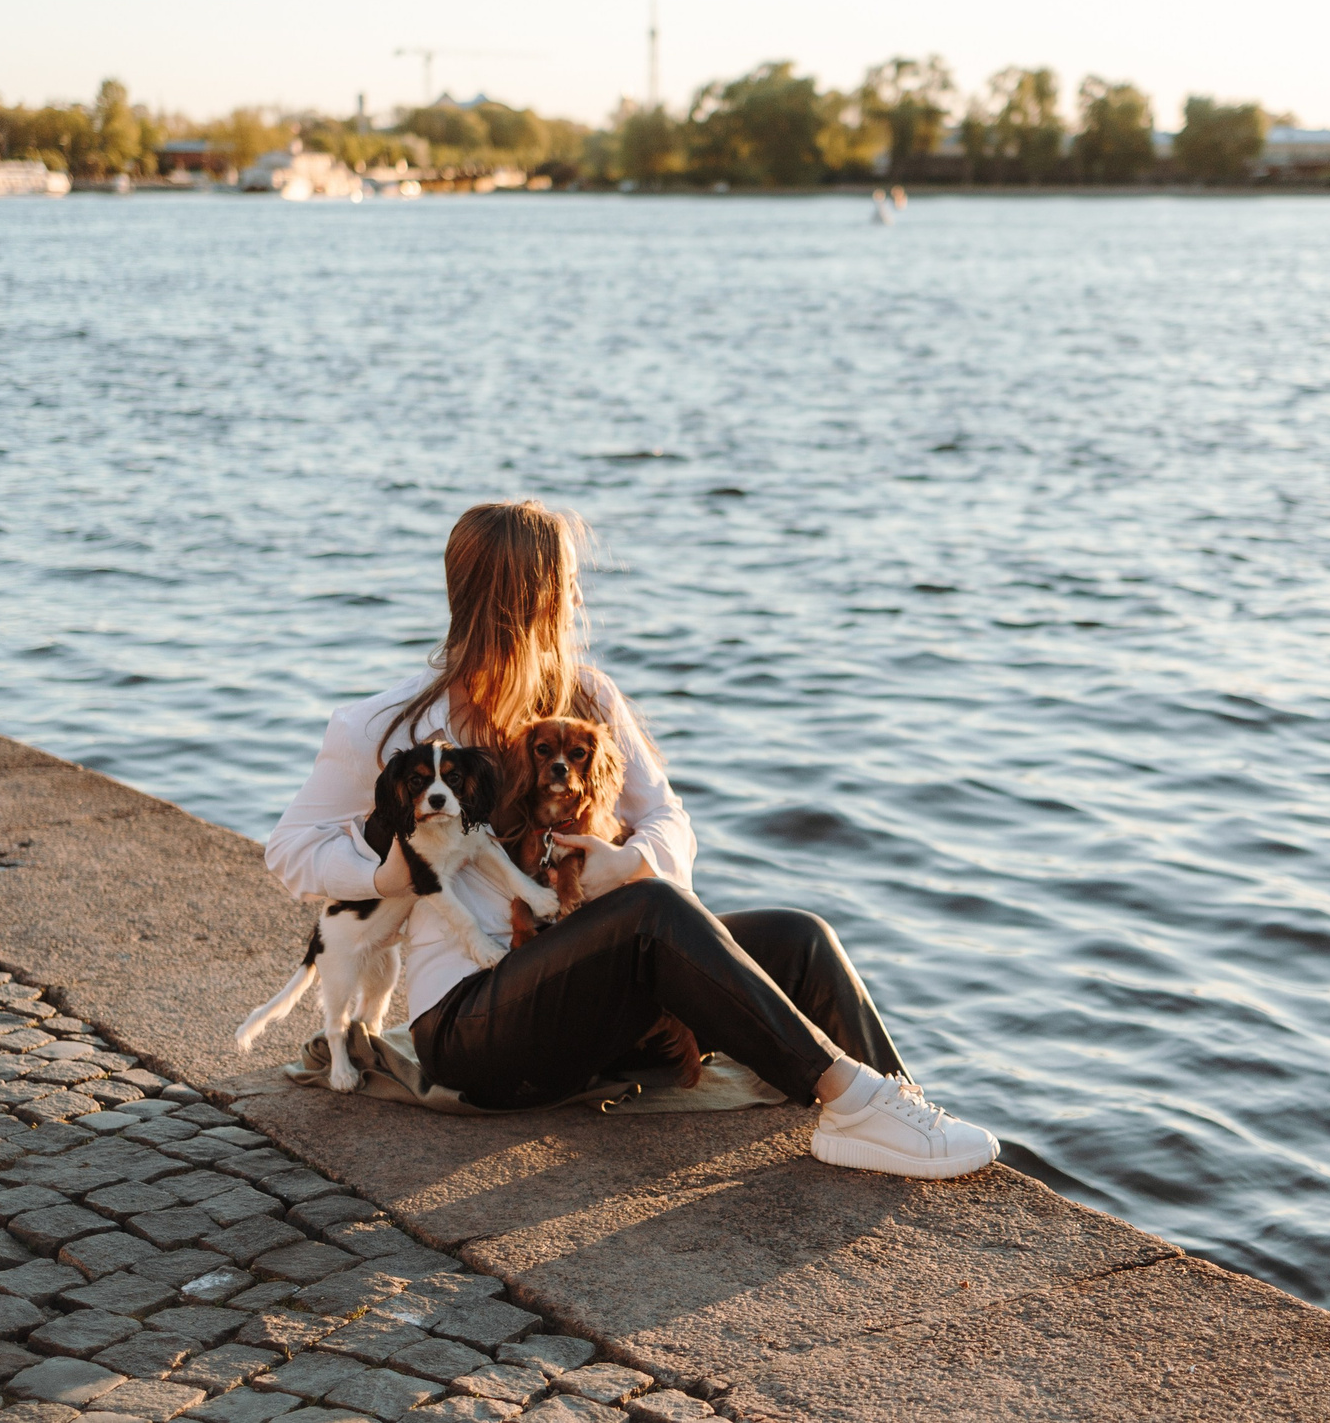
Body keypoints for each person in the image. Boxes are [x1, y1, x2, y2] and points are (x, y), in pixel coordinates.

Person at [265, 500, 999, 1179]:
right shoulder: (385, 726)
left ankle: (895, 1108)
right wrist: (386, 876)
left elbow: (669, 819)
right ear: (530, 602)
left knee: (799, 937)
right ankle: (851, 1097)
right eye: (568, 588)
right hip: (471, 1025)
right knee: (651, 911)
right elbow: (290, 849)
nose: (577, 603)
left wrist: (625, 861)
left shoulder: (587, 697)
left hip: (583, 1003)